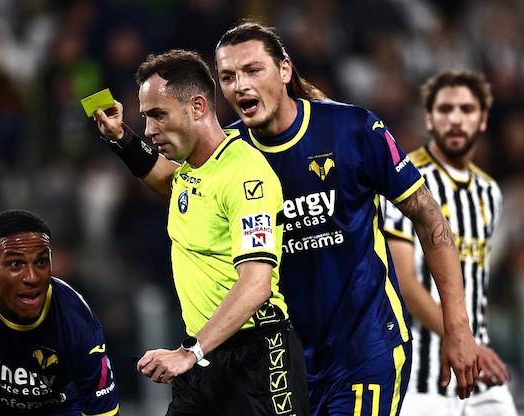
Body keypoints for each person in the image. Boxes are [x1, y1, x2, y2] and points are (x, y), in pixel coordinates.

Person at [211, 20, 481, 415]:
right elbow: (171, 184)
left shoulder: (353, 129)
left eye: (253, 70)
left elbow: (429, 219)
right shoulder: (226, 155)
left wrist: (457, 328)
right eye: (228, 77)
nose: (240, 86)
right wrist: (125, 140)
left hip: (366, 348)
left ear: (284, 70)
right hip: (281, 364)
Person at [93, 49, 309, 415]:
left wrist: (190, 353)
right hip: (204, 357)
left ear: (197, 107)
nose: (149, 129)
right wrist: (121, 137)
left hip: (258, 359)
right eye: (145, 117)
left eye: (159, 115)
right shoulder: (194, 169)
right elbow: (170, 182)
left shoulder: (245, 176)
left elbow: (256, 284)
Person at [382, 70, 518, 415]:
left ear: (483, 120)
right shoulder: (404, 180)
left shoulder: (489, 191)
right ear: (429, 118)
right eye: (445, 109)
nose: (455, 119)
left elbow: (476, 280)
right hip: (418, 371)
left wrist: (474, 340)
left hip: (477, 361)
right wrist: (459, 336)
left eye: (467, 109)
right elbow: (403, 281)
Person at [0, 209, 120, 415]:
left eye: (41, 262)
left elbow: (103, 412)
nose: (32, 277)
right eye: (16, 264)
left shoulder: (78, 322)